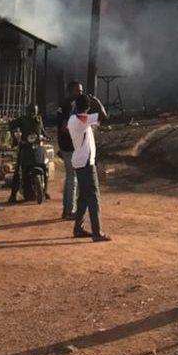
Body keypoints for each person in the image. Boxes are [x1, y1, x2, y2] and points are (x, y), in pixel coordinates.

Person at [67, 93, 111, 243]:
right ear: (87, 107)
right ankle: (97, 232)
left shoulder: (74, 119)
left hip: (81, 161)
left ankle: (78, 229)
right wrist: (97, 101)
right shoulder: (81, 119)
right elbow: (104, 116)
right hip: (85, 162)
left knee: (84, 198)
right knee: (93, 197)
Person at [56, 82, 84, 220]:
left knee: (69, 178)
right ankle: (69, 210)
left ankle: (67, 209)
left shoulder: (63, 105)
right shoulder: (70, 105)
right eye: (78, 90)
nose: (80, 93)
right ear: (71, 90)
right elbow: (64, 128)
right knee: (73, 179)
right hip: (70, 146)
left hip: (64, 146)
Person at [11, 103, 49, 198]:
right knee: (18, 170)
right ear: (27, 112)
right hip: (25, 146)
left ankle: (46, 190)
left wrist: (47, 136)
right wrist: (15, 138)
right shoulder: (22, 119)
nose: (33, 113)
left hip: (37, 146)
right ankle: (13, 194)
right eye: (31, 111)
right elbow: (10, 125)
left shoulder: (39, 119)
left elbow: (42, 130)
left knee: (45, 165)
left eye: (35, 111)